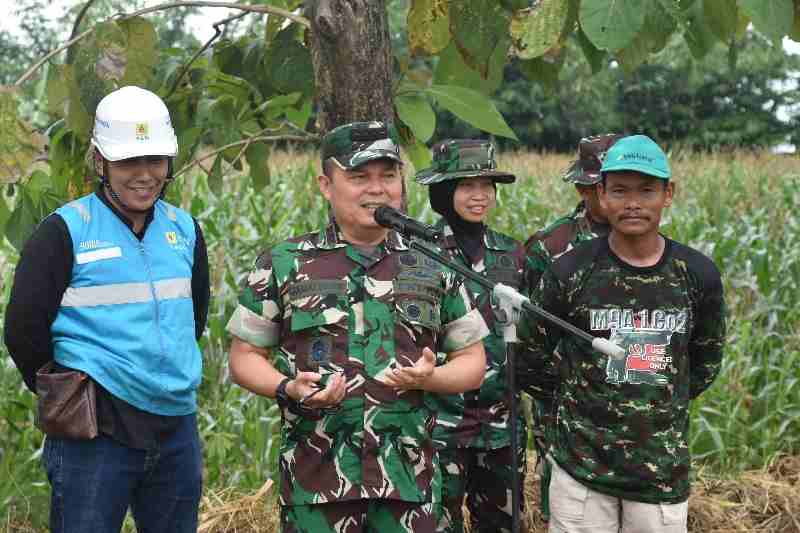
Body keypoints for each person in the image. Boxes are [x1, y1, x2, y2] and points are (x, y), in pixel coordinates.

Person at [225, 121, 490, 533]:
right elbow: (244, 356)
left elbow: (472, 360)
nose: (377, 188)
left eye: (388, 175)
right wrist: (287, 388)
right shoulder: (283, 262)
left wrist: (432, 377)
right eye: (358, 176)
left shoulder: (433, 263)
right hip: (316, 485)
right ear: (326, 185)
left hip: (410, 483)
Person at [4, 85, 210, 533]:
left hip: (175, 427)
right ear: (100, 161)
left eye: (154, 160)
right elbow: (22, 330)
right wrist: (68, 389)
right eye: (128, 161)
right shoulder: (65, 231)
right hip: (95, 431)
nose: (144, 174)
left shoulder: (185, 230)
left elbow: (193, 318)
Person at [518, 134, 726, 533]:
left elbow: (703, 362)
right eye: (620, 190)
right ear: (601, 193)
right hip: (581, 471)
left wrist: (656, 403)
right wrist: (578, 403)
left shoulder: (697, 274)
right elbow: (529, 355)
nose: (633, 202)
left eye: (646, 190)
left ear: (668, 194)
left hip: (659, 473)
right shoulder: (569, 271)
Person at [415, 139, 527, 533]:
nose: (479, 196)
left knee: (501, 525)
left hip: (502, 425)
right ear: (444, 192)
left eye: (487, 186)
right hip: (440, 422)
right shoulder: (419, 252)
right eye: (467, 186)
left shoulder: (511, 254)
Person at [522, 133, 621, 521]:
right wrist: (565, 387)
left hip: (633, 412)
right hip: (565, 410)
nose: (616, 196)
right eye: (604, 187)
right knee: (568, 512)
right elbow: (528, 340)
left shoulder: (650, 242)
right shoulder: (550, 248)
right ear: (583, 188)